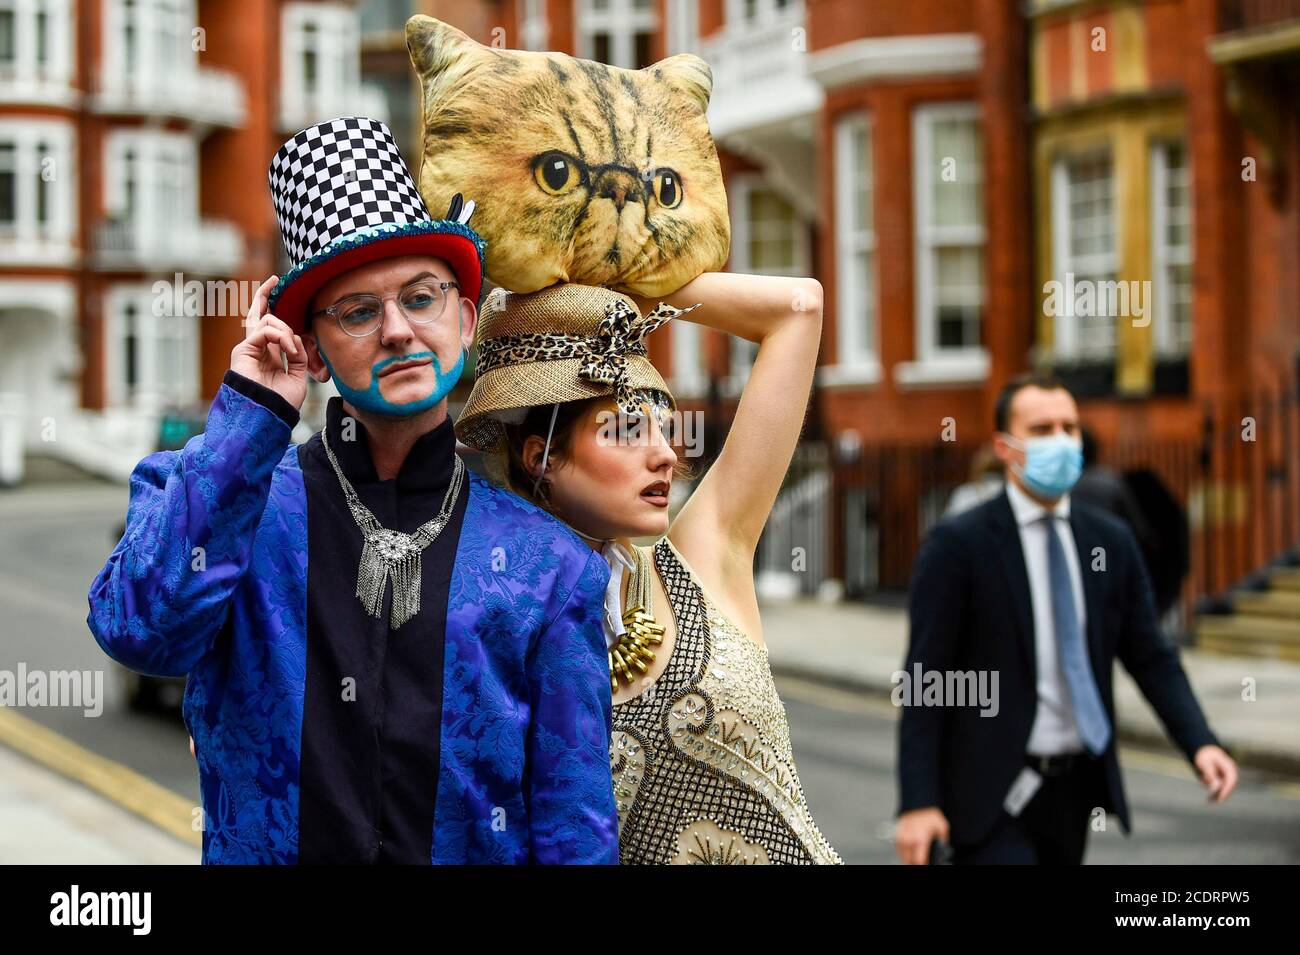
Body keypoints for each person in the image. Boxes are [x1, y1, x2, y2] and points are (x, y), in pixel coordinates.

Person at [86, 117, 617, 864]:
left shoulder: (550, 566)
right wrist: (251, 417)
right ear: (314, 349)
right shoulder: (229, 502)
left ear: (465, 321)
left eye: (421, 297)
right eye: (359, 311)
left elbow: (576, 832)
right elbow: (138, 632)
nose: (397, 329)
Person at [454, 277, 843, 864]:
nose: (665, 451)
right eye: (626, 430)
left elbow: (798, 309)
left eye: (662, 423)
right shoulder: (497, 627)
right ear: (543, 458)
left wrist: (617, 267)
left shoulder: (704, 556)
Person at [895, 373, 1238, 865]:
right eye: (1041, 430)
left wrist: (1200, 742)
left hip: (1073, 794)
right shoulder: (959, 544)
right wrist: (918, 801)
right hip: (988, 795)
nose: (1060, 441)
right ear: (1005, 447)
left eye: (1070, 428)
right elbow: (927, 679)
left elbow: (1150, 655)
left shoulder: (1109, 541)